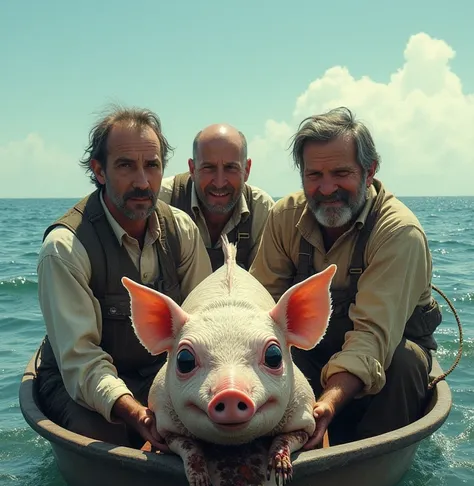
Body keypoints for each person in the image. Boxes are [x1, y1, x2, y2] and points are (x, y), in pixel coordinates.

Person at [250, 107, 442, 448]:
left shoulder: (399, 232)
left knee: (407, 360)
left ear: (369, 172)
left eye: (341, 173)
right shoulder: (285, 217)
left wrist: (327, 405)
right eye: (314, 175)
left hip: (381, 362)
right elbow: (258, 310)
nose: (327, 188)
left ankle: (366, 456)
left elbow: (372, 337)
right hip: (312, 353)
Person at [36, 106, 212, 448]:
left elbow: (206, 324)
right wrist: (137, 414)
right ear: (99, 171)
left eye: (152, 165)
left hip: (159, 374)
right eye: (126, 166)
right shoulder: (65, 248)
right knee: (107, 437)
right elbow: (81, 360)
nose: (143, 182)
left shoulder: (181, 230)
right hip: (79, 381)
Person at [159, 123, 275, 270]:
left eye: (230, 168)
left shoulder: (262, 210)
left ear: (246, 170)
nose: (219, 182)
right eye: (209, 168)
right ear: (192, 169)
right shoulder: (162, 200)